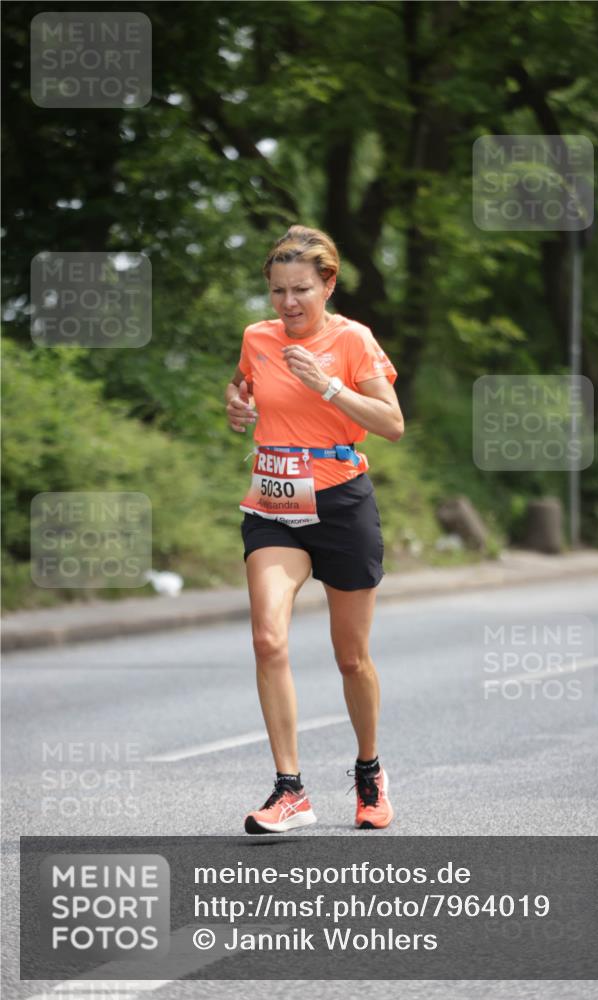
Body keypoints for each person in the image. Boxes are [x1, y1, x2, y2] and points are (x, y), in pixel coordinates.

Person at [225, 224, 403, 835]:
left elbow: (393, 423)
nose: (288, 303)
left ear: (328, 283)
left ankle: (369, 770)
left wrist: (326, 385)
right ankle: (289, 789)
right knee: (268, 639)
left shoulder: (353, 340)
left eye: (300, 289)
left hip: (342, 505)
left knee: (351, 658)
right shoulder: (257, 337)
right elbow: (244, 391)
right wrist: (238, 408)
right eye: (277, 291)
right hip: (274, 503)